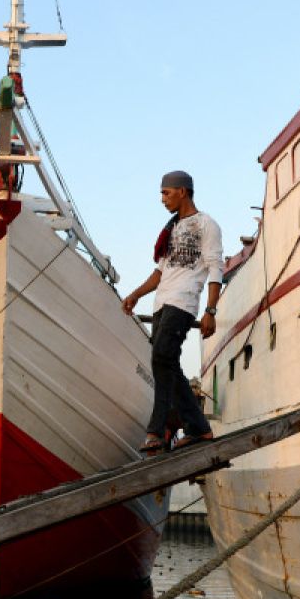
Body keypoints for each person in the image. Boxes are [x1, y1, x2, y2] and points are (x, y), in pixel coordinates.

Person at [121, 170, 224, 453]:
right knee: (166, 363)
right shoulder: (172, 228)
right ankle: (198, 428)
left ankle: (156, 430)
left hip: (184, 303)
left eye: (166, 193)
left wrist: (210, 310)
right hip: (162, 305)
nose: (162, 199)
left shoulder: (206, 225)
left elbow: (216, 267)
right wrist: (135, 295)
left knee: (161, 357)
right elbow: (159, 273)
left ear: (183, 191)